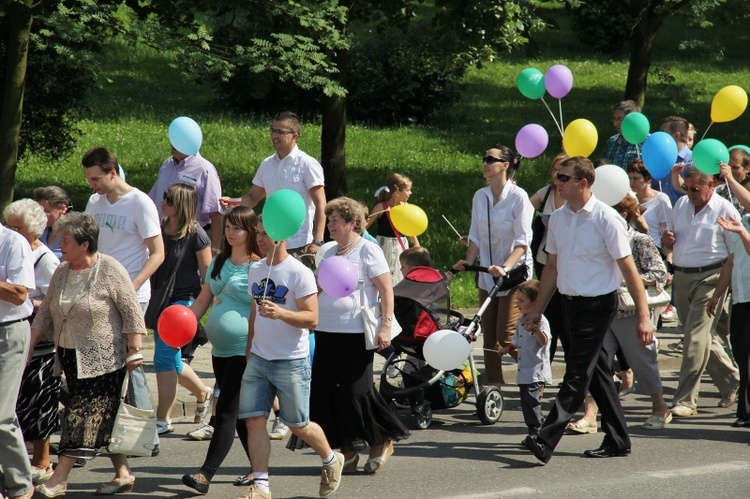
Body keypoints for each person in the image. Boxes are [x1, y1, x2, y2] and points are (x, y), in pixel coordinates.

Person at [522, 156, 653, 464]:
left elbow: (629, 270)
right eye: (557, 176)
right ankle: (619, 439)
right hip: (568, 303)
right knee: (596, 372)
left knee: (577, 372)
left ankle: (545, 438)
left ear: (582, 182)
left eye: (564, 177)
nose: (558, 181)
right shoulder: (558, 218)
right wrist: (538, 309)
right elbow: (551, 268)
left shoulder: (607, 219)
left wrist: (644, 317)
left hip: (597, 305)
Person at [29, 212, 146, 496]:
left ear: (85, 244)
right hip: (69, 358)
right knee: (103, 418)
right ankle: (123, 473)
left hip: (104, 359)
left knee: (77, 417)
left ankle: (59, 478)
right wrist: (29, 346)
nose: (60, 245)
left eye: (66, 240)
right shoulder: (62, 271)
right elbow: (45, 314)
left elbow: (131, 310)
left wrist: (136, 350)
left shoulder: (109, 269)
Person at [238, 216, 344, 499]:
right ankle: (261, 484)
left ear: (281, 236)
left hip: (291, 360)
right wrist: (249, 349)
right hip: (259, 358)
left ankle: (331, 459)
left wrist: (281, 313)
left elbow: (312, 318)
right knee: (253, 419)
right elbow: (253, 313)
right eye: (257, 233)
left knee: (297, 424)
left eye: (265, 234)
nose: (259, 239)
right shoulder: (256, 269)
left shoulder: (299, 272)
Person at [312, 197, 410, 475]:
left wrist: (386, 326)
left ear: (352, 222)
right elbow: (319, 287)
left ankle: (381, 440)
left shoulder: (368, 250)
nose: (329, 224)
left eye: (334, 220)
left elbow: (387, 290)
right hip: (326, 330)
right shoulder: (329, 252)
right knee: (325, 392)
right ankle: (347, 448)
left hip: (356, 332)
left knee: (357, 392)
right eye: (328, 219)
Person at [82, 146, 164, 454]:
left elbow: (158, 254)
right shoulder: (94, 202)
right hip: (99, 294)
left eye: (97, 178)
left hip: (132, 296)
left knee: (131, 362)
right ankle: (109, 431)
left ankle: (147, 437)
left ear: (113, 172)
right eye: (90, 179)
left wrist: (133, 285)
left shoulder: (139, 203)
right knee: (105, 363)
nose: (93, 185)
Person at [565, 195, 671, 433]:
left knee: (643, 361)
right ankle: (590, 415)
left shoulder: (639, 240)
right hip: (602, 312)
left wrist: (626, 280)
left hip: (630, 311)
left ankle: (659, 407)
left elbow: (660, 274)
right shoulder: (597, 238)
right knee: (595, 364)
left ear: (622, 215)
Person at [181, 206, 260, 494]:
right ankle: (258, 470)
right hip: (220, 351)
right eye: (228, 226)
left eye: (237, 227)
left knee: (225, 410)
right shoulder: (219, 261)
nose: (230, 231)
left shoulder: (258, 266)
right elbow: (202, 301)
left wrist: (252, 348)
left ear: (250, 231)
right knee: (238, 415)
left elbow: (259, 311)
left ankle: (205, 475)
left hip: (244, 350)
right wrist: (182, 329)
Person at [662, 166, 740, 417]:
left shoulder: (724, 208)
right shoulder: (681, 205)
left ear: (711, 185)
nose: (689, 193)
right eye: (685, 188)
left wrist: (721, 290)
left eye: (695, 189)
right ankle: (733, 381)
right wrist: (669, 242)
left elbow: (733, 252)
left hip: (711, 278)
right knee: (701, 336)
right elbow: (676, 239)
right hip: (683, 277)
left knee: (695, 339)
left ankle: (685, 400)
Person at [454, 145, 534, 387]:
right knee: (488, 336)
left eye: (491, 159)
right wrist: (468, 261)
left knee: (505, 334)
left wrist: (505, 267)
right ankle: (494, 386)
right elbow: (475, 235)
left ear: (505, 165)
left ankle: (534, 371)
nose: (485, 163)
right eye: (484, 158)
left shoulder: (518, 197)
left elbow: (523, 242)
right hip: (487, 274)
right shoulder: (481, 196)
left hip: (513, 275)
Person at [4, 199, 60, 486]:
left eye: (18, 227)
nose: (12, 231)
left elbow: (55, 300)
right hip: (24, 332)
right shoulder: (15, 249)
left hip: (41, 340)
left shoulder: (45, 259)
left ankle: (42, 461)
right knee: (19, 403)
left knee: (40, 401)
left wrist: (31, 302)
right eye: (9, 226)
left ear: (35, 230)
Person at [150, 184, 214, 435]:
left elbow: (208, 274)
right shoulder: (158, 227)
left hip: (184, 302)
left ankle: (162, 418)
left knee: (163, 357)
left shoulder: (196, 234)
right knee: (172, 360)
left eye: (169, 199)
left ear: (182, 205)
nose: (163, 201)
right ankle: (202, 392)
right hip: (160, 301)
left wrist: (207, 305)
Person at [230, 111, 326, 265]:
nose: (274, 135)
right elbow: (253, 197)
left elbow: (321, 204)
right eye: (273, 130)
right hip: (268, 241)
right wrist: (233, 203)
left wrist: (318, 240)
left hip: (297, 245)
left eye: (280, 132)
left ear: (295, 136)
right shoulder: (266, 164)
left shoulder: (307, 164)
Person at [0, 220, 35, 499]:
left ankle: (20, 485)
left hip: (8, 333)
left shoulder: (13, 242)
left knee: (0, 415)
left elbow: (19, 294)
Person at [708, 216, 750, 427]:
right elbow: (731, 262)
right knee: (741, 355)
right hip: (741, 297)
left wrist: (743, 232)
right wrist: (717, 295)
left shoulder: (742, 227)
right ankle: (744, 412)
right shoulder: (743, 220)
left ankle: (747, 412)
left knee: (747, 353)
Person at [495, 280, 551, 439]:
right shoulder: (521, 320)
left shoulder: (541, 321)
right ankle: (536, 431)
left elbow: (544, 340)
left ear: (534, 302)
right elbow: (515, 342)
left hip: (535, 370)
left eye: (521, 300)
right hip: (524, 370)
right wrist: (507, 349)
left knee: (531, 402)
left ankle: (537, 432)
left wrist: (535, 329)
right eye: (517, 299)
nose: (517, 303)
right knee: (526, 403)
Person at [148, 139, 223, 249]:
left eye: (179, 140)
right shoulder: (167, 164)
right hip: (162, 234)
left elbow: (216, 212)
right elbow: (153, 198)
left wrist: (215, 248)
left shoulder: (205, 169)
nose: (173, 145)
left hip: (191, 238)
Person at [529, 152, 567, 361]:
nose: (557, 174)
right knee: (549, 314)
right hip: (545, 261)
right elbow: (524, 209)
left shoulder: (574, 196)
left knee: (565, 317)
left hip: (569, 263)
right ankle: (544, 367)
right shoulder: (545, 193)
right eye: (555, 169)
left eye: (562, 171)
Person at [366, 173, 420, 286]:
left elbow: (409, 227)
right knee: (384, 272)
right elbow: (365, 225)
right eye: (408, 190)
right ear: (397, 193)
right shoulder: (382, 207)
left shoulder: (405, 207)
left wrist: (416, 244)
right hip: (385, 245)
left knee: (400, 272)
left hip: (401, 245)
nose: (410, 193)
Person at [33, 186, 72, 261]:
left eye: (47, 212)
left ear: (63, 209)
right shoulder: (39, 232)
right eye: (39, 212)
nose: (42, 216)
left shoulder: (72, 235)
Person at [661, 116, 693, 206]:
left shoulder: (694, 161)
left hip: (684, 215)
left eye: (663, 133)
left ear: (676, 135)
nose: (659, 137)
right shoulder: (660, 158)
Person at [601, 100, 642, 170]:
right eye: (614, 119)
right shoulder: (612, 142)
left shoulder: (647, 142)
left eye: (620, 119)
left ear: (632, 120)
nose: (615, 124)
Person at [715, 147, 750, 217]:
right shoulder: (719, 189)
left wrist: (731, 179)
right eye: (728, 166)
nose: (730, 170)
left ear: (747, 169)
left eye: (735, 167)